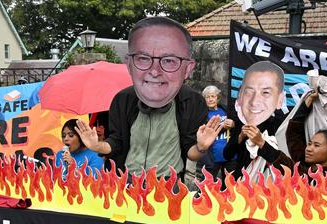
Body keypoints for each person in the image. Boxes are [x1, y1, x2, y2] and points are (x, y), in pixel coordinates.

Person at [75, 17, 222, 179]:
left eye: (169, 61)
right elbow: (116, 143)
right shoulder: (123, 99)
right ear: (129, 64)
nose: (154, 71)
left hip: (168, 183)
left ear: (187, 69)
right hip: (129, 181)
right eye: (143, 59)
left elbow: (190, 152)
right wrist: (97, 146)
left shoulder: (192, 102)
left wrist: (201, 147)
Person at [223, 61, 312, 179]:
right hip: (242, 183)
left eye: (265, 93)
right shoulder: (242, 122)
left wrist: (260, 142)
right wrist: (239, 137)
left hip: (271, 186)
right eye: (249, 92)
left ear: (280, 100)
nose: (255, 101)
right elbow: (227, 154)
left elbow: (288, 161)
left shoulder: (279, 124)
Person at [198, 85, 235, 183]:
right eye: (207, 97)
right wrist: (222, 127)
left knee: (230, 187)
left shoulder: (225, 110)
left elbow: (239, 124)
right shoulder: (202, 114)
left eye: (213, 96)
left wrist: (233, 124)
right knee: (206, 186)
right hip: (213, 157)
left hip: (229, 155)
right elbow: (203, 132)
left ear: (217, 97)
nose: (210, 99)